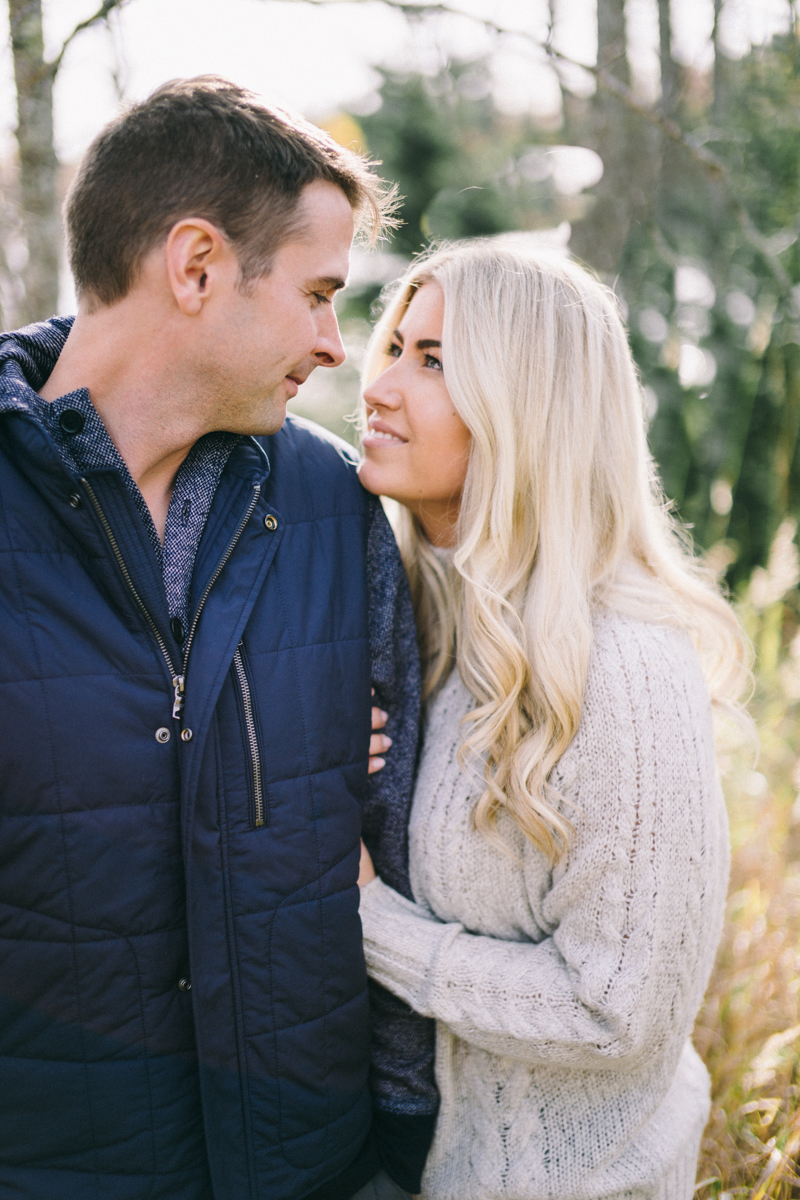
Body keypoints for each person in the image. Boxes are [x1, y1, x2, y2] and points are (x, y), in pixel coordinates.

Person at [0, 77, 438, 1200]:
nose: (337, 347)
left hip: (317, 1174)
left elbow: (394, 854)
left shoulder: (335, 510)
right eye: (317, 294)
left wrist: (395, 1161)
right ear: (195, 266)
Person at [355, 241, 748, 1200]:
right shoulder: (440, 618)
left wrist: (364, 915)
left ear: (524, 407)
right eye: (396, 345)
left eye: (435, 362)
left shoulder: (621, 665)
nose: (382, 385)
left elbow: (617, 1014)